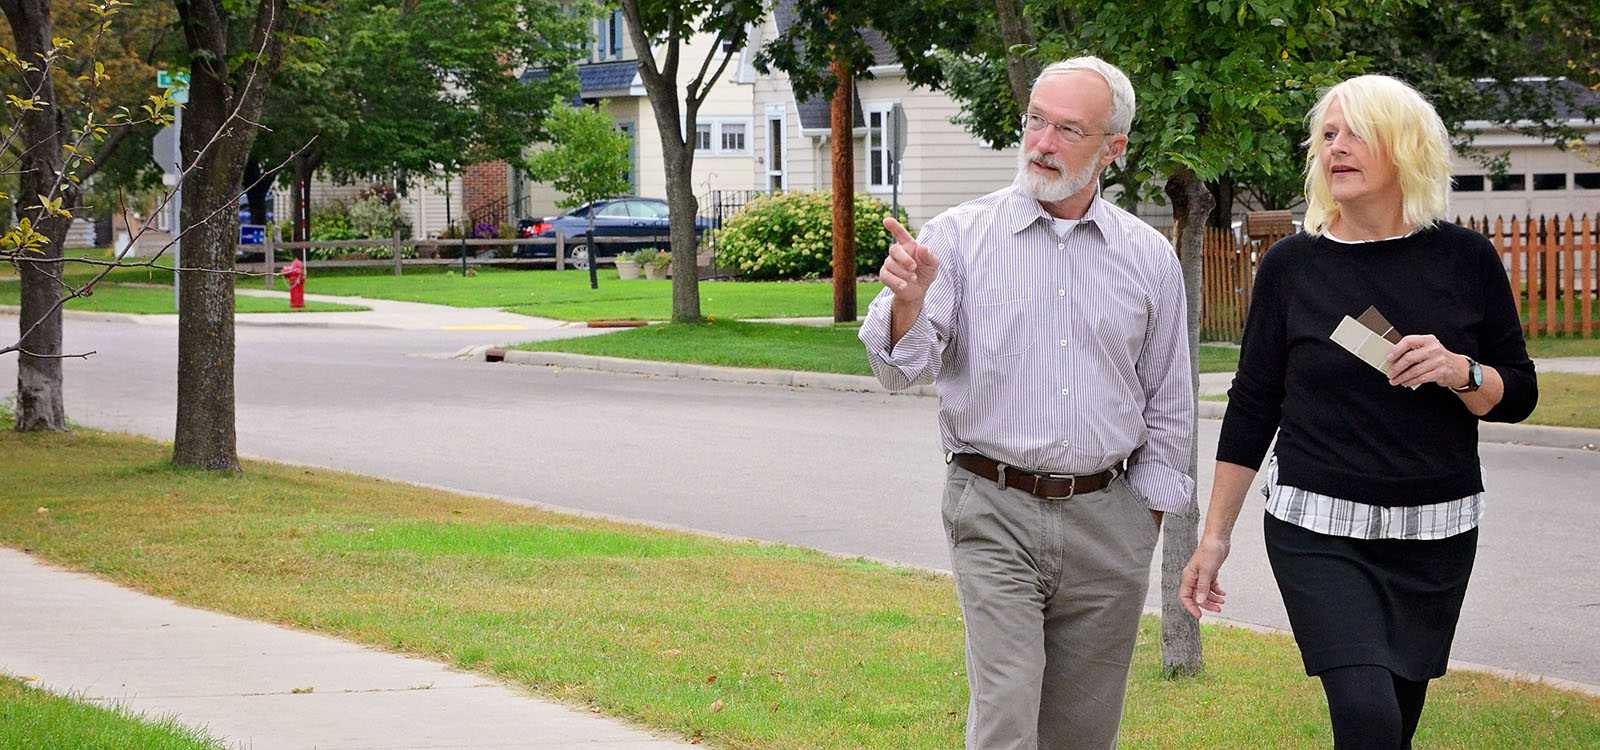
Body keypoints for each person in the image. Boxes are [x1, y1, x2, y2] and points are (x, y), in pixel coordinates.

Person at [1179, 74, 1538, 749]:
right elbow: (1255, 403)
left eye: (1355, 133)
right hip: (1319, 526)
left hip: (1435, 532)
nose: (1335, 148)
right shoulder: (1292, 266)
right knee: (1367, 715)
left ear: (1405, 147)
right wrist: (1215, 536)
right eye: (1327, 136)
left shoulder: (1466, 259)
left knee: (1393, 726)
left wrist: (1459, 371)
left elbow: (1517, 394)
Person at [859, 56, 1193, 750]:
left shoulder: (1148, 258)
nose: (1042, 142)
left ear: (1113, 148)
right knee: (1007, 713)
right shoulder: (957, 238)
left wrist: (1143, 525)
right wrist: (908, 301)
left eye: (1068, 128)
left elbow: (1167, 404)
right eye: (1035, 121)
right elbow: (899, 369)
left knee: (1081, 730)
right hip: (994, 505)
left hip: (1109, 519)